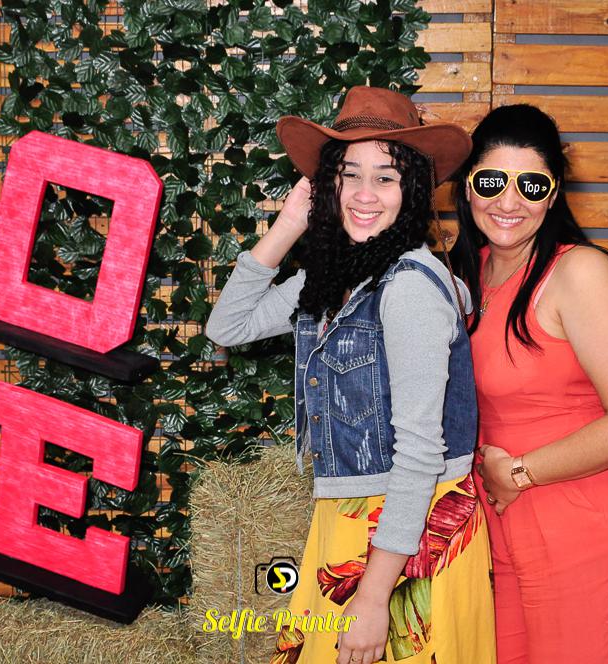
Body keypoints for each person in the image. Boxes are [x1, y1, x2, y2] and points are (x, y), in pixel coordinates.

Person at [206, 86, 495, 664]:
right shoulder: (334, 274)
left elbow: (420, 452)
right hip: (350, 522)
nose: (365, 195)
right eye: (349, 175)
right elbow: (227, 326)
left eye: (385, 178)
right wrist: (289, 224)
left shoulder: (408, 287)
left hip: (403, 536)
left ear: (412, 191)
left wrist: (374, 595)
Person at [448, 104, 608, 663]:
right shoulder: (465, 273)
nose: (509, 202)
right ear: (468, 185)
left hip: (592, 526)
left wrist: (519, 473)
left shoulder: (580, 272)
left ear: (553, 195)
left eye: (531, 185)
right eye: (492, 181)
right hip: (504, 526)